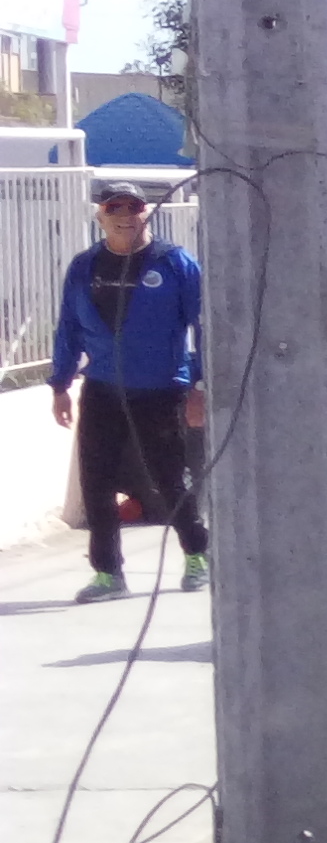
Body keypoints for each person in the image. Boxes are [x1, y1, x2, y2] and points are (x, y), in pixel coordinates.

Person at [53, 182, 209, 604]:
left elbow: (204, 325)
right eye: (114, 207)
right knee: (96, 482)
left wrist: (199, 386)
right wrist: (60, 384)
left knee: (169, 477)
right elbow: (68, 327)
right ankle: (108, 574)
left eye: (133, 206)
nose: (124, 215)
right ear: (100, 216)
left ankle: (198, 554)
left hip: (160, 389)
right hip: (102, 388)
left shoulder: (174, 262)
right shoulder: (85, 266)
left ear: (146, 212)